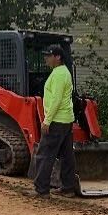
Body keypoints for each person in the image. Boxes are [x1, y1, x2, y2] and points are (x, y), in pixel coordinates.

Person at [31, 44, 80, 198]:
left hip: (57, 121)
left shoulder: (59, 74)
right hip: (66, 120)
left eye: (48, 55)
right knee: (66, 155)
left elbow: (56, 99)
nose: (46, 58)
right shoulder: (64, 72)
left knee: (45, 154)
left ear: (58, 57)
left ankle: (42, 190)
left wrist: (47, 121)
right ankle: (68, 188)